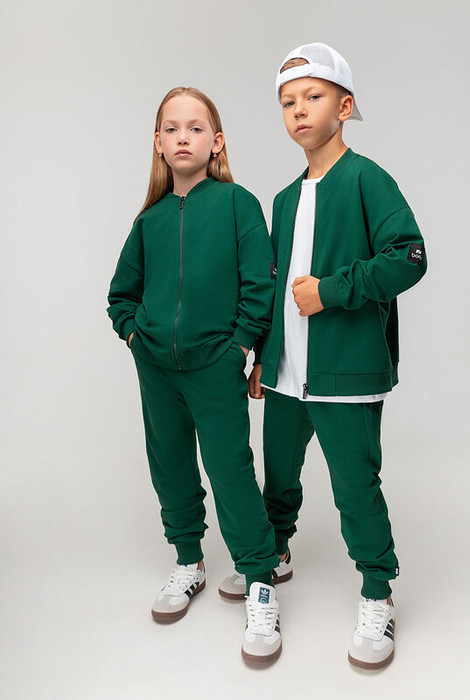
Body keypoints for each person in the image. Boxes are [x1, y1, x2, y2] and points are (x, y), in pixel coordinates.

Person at [219, 43, 427, 669]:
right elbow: (274, 287)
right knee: (277, 478)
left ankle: (377, 592)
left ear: (344, 105)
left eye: (312, 97)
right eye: (288, 102)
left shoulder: (367, 179)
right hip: (286, 375)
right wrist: (264, 355)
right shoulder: (284, 199)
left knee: (355, 488)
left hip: (346, 374)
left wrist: (332, 291)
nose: (299, 111)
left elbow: (409, 256)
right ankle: (275, 553)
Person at [107, 86, 283, 664]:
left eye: (196, 127)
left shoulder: (237, 205)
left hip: (215, 365)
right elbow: (120, 295)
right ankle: (189, 561)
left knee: (230, 469)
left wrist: (239, 348)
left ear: (217, 141)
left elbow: (260, 285)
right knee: (170, 465)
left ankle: (259, 581)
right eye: (172, 128)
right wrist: (136, 336)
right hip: (158, 369)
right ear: (158, 144)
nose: (183, 137)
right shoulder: (149, 220)